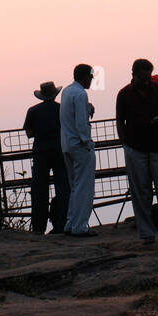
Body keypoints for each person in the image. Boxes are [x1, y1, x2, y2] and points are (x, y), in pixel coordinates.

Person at [116, 59, 158, 244]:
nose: (146, 82)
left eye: (148, 78)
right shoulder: (123, 94)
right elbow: (120, 121)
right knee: (141, 191)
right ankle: (147, 232)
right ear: (134, 74)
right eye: (142, 78)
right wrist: (125, 144)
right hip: (135, 147)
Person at [23, 81, 69, 234]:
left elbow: (29, 133)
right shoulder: (62, 108)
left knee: (39, 190)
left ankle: (38, 227)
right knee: (63, 187)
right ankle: (62, 223)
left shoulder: (33, 111)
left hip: (41, 152)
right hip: (60, 150)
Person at [59, 64, 98, 237]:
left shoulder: (67, 92)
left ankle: (70, 222)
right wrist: (87, 141)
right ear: (85, 77)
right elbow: (82, 123)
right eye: (91, 77)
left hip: (67, 144)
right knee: (85, 186)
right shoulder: (81, 94)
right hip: (80, 145)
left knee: (75, 185)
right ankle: (80, 226)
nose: (92, 80)